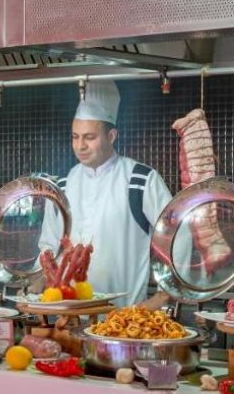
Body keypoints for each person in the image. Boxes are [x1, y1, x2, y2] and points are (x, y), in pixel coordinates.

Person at [39, 82, 173, 308]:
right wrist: (36, 283)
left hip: (123, 318)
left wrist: (163, 295)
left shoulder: (140, 180)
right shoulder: (63, 185)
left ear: (111, 136)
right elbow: (48, 246)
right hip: (68, 316)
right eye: (75, 136)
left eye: (89, 137)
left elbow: (176, 235)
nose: (80, 146)